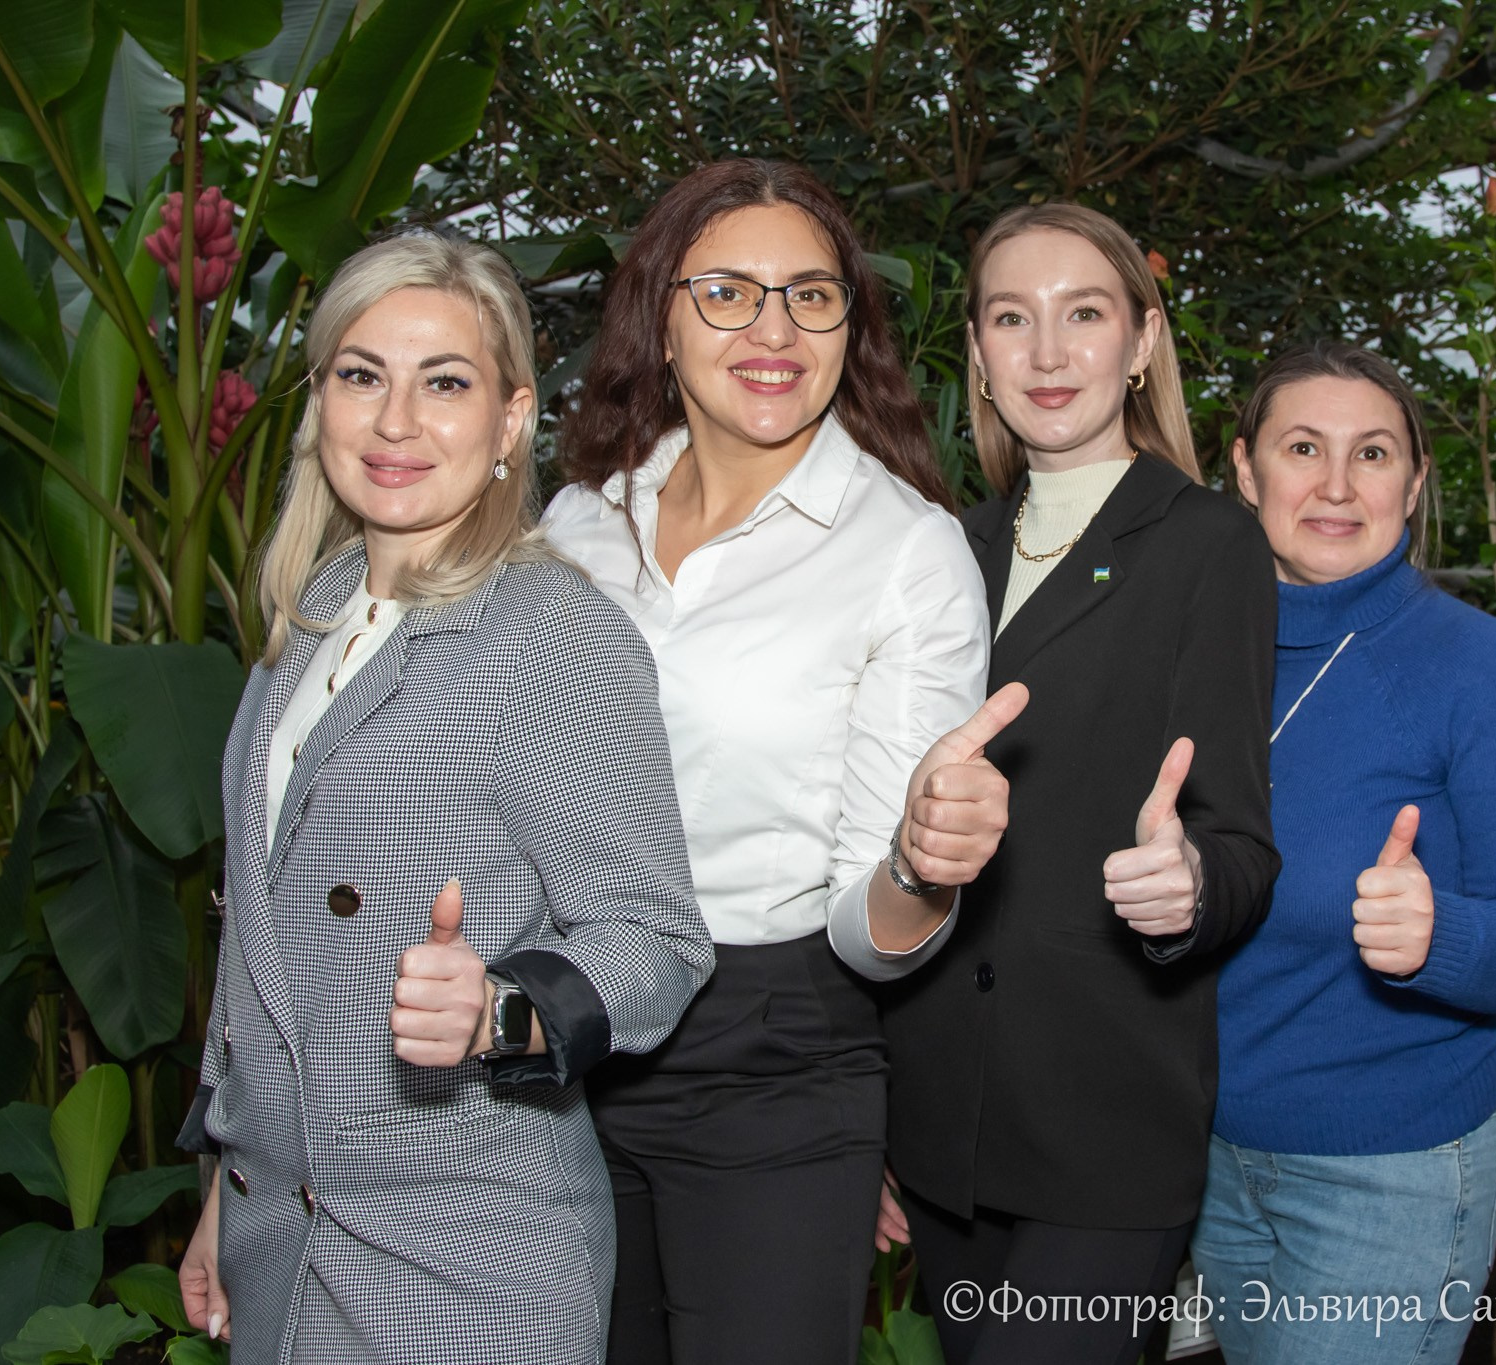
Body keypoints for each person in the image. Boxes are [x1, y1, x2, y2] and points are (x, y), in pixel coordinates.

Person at [173, 231, 715, 1365]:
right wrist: (232, 1182)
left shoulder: (547, 636)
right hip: (289, 1235)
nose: (395, 422)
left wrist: (500, 1013)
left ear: (510, 420)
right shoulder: (310, 617)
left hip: (466, 1257)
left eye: (445, 384)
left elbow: (656, 938)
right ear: (318, 400)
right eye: (360, 376)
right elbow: (262, 956)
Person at [542, 158, 1026, 1365]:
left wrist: (922, 867)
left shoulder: (905, 554)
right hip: (557, 1035)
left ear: (847, 327)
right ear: (660, 314)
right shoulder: (573, 524)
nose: (771, 330)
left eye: (810, 296)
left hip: (765, 1055)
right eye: (726, 294)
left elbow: (872, 931)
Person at [876, 203, 1280, 1365]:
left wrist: (1188, 883)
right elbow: (875, 844)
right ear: (978, 357)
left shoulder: (1208, 544)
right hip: (942, 1119)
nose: (1048, 352)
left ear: (1141, 343)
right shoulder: (942, 549)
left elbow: (1240, 842)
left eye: (1084, 313)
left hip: (1105, 1114)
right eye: (1012, 317)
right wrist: (877, 1126)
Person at [1190, 340, 1496, 1364]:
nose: (1332, 484)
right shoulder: (1193, 653)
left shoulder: (1477, 669)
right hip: (1201, 1162)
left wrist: (1438, 933)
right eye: (1300, 448)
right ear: (1242, 469)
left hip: (1384, 1176)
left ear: (1411, 482)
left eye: (1370, 454)